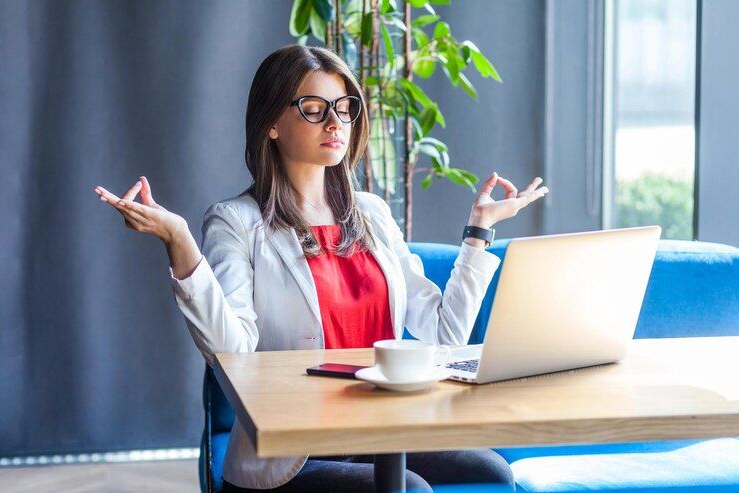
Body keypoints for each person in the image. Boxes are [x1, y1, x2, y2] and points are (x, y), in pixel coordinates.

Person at [94, 44, 548, 492]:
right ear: (271, 123)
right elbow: (232, 355)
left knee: (492, 472)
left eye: (344, 107)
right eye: (313, 108)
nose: (335, 123)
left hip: (376, 433)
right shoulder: (235, 221)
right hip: (293, 452)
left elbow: (445, 335)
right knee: (408, 489)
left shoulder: (371, 214)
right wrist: (179, 240)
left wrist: (479, 231)